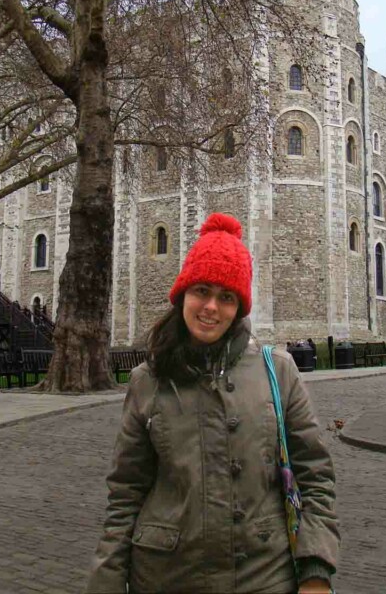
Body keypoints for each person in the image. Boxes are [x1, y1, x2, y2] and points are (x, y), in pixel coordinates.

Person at [86, 213, 339, 594]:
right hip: (167, 577)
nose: (211, 308)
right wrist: (105, 582)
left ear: (239, 307)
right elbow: (125, 494)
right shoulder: (147, 381)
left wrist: (316, 570)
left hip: (264, 576)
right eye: (201, 291)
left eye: (226, 297)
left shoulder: (279, 372)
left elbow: (315, 477)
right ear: (183, 295)